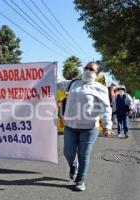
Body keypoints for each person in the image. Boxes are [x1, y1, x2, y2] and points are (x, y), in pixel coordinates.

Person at [57, 62, 112, 191]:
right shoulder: (73, 84)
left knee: (83, 154)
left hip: (89, 128)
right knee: (68, 153)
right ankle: (73, 165)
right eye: (86, 68)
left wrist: (107, 125)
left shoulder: (100, 88)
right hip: (70, 126)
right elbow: (58, 83)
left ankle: (80, 179)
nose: (87, 70)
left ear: (97, 73)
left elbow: (106, 108)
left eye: (91, 69)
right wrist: (55, 69)